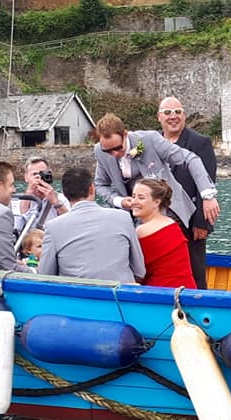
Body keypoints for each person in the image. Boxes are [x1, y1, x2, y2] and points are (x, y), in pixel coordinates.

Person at [93, 113, 220, 234]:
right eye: (108, 151)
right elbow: (100, 185)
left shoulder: (150, 139)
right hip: (131, 217)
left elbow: (190, 159)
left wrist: (207, 195)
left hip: (168, 210)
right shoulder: (99, 151)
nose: (114, 154)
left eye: (118, 148)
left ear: (125, 134)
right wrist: (118, 201)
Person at [39, 166, 146, 284]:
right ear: (92, 189)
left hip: (78, 297)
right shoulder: (123, 218)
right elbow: (139, 271)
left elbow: (45, 276)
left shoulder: (53, 227)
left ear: (64, 193)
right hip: (120, 297)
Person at [157, 96, 217, 289]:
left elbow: (207, 181)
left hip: (192, 222)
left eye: (178, 112)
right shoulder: (152, 143)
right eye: (167, 112)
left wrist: (202, 223)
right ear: (159, 117)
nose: (173, 117)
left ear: (184, 115)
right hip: (159, 219)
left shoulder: (200, 143)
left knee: (195, 270)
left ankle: (201, 307)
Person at [131, 178, 196, 288]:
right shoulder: (171, 223)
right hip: (187, 288)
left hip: (163, 292)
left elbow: (135, 268)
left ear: (156, 202)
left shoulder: (142, 231)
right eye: (133, 196)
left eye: (141, 198)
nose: (134, 202)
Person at [14, 156, 69, 237]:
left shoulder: (62, 199)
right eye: (35, 174)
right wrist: (29, 192)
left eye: (42, 173)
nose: (39, 177)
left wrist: (56, 203)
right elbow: (21, 220)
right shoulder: (19, 201)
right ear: (26, 177)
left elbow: (70, 222)